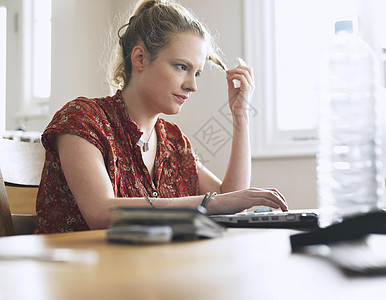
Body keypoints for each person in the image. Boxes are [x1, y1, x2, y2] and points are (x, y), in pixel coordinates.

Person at [35, 0, 288, 234]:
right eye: (182, 67)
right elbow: (102, 214)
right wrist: (210, 203)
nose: (192, 85)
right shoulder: (83, 119)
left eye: (197, 73)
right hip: (77, 277)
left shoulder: (173, 142)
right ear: (140, 58)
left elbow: (231, 200)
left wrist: (240, 116)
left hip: (147, 275)